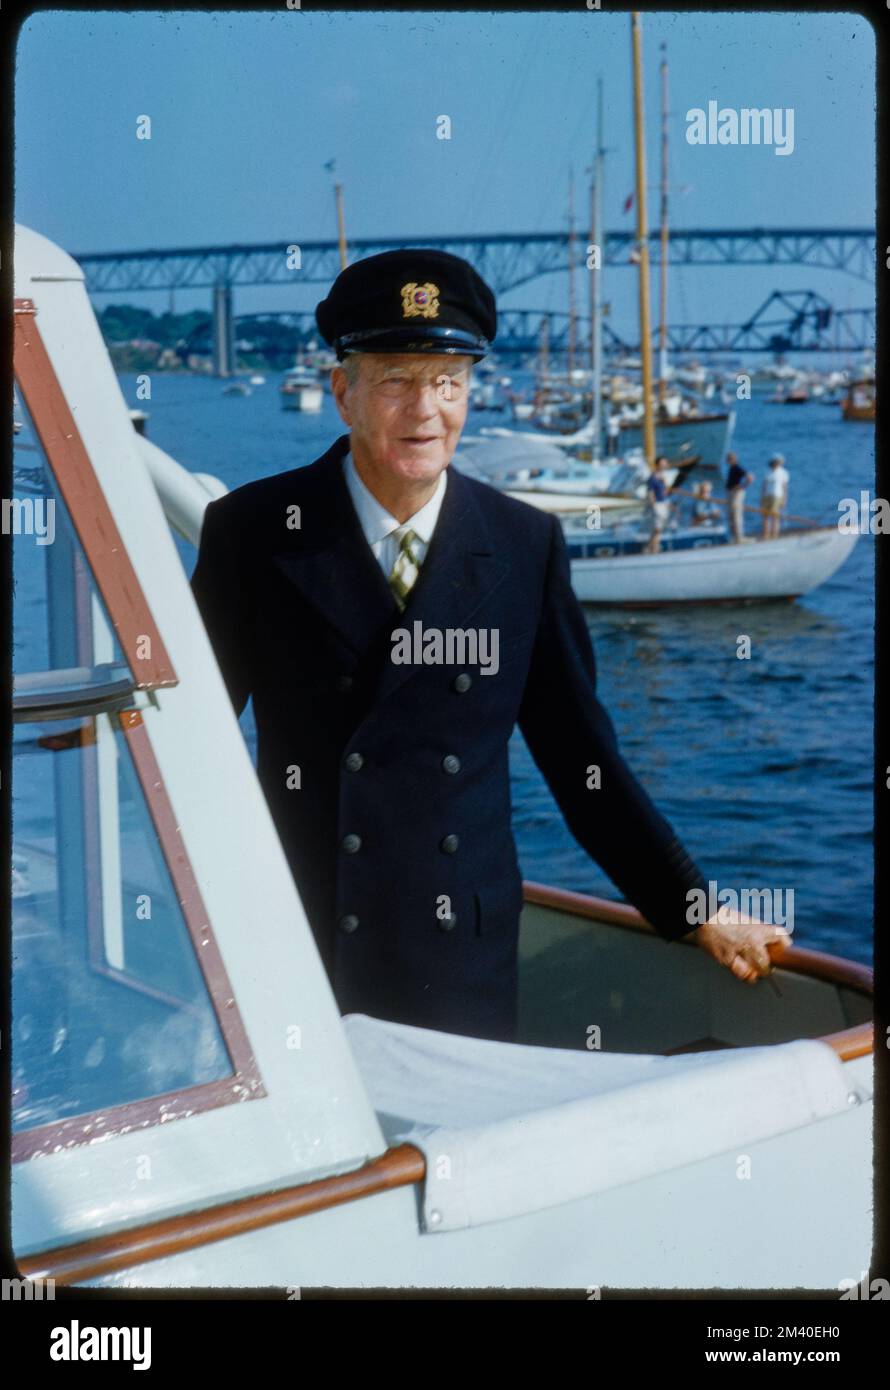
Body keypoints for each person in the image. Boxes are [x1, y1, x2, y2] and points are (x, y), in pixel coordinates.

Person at [190, 247, 776, 1044]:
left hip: (456, 958)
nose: (425, 412)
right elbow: (189, 741)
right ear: (343, 392)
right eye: (396, 378)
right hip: (298, 940)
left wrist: (696, 908)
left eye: (449, 382)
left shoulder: (523, 546)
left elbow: (582, 763)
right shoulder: (256, 534)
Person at [644, 456, 672, 554]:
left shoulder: (662, 477)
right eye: (662, 464)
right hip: (657, 505)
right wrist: (653, 505)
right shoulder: (653, 477)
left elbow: (665, 492)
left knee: (658, 529)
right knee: (657, 528)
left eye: (665, 464)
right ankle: (654, 548)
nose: (664, 466)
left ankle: (650, 548)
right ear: (657, 465)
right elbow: (650, 492)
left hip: (663, 503)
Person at [725, 450, 754, 543]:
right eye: (728, 459)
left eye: (730, 459)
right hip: (731, 492)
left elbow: (749, 477)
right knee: (731, 515)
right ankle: (734, 536)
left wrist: (743, 486)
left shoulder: (737, 467)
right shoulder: (732, 468)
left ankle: (739, 537)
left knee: (737, 514)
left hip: (736, 492)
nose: (728, 461)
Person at [761, 453, 789, 539]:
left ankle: (774, 534)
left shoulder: (783, 473)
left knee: (775, 516)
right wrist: (762, 497)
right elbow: (764, 485)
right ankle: (766, 534)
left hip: (777, 496)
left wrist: (784, 498)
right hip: (767, 496)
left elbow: (785, 487)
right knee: (765, 516)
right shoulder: (767, 472)